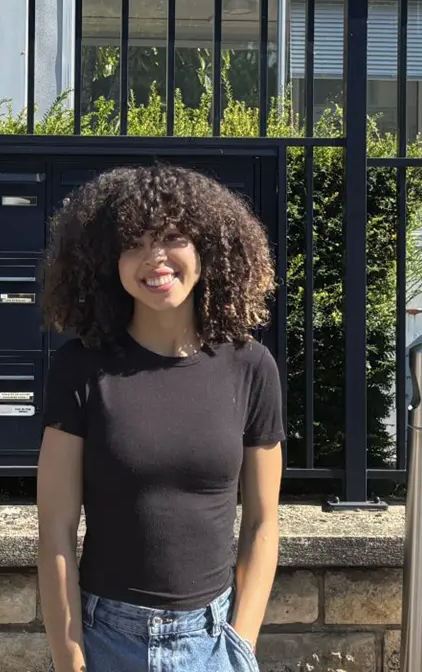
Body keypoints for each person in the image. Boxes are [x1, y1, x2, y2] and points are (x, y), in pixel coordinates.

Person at [36, 162, 285, 672]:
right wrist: (70, 658)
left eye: (174, 238)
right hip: (108, 640)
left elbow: (262, 522)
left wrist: (242, 642)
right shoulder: (81, 368)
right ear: (108, 260)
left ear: (208, 250)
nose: (156, 258)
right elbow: (55, 529)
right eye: (134, 242)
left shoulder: (251, 366)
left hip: (214, 642)